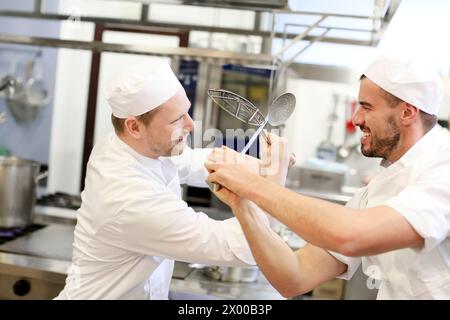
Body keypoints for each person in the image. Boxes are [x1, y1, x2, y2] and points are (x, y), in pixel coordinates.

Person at [206, 54, 450, 299]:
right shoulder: (376, 190)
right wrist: (242, 204)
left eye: (366, 107)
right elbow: (295, 277)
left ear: (407, 113)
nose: (356, 119)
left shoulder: (443, 170)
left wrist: (253, 184)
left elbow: (352, 235)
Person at [56, 60, 272, 300]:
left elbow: (191, 161)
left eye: (187, 111)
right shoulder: (130, 198)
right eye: (176, 119)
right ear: (134, 127)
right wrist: (274, 186)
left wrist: (260, 167)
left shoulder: (132, 146)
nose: (190, 125)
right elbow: (240, 246)